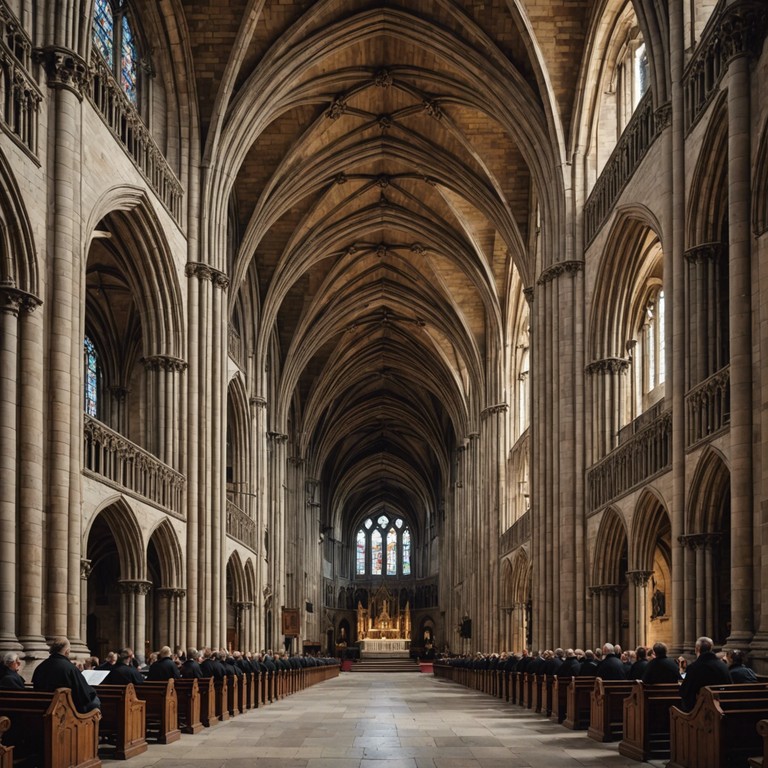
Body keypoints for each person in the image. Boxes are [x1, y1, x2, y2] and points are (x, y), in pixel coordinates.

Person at [32, 637, 101, 713]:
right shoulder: (70, 668)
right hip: (66, 709)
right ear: (67, 651)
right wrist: (92, 691)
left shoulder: (40, 666)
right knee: (95, 700)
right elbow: (83, 695)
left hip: (43, 708)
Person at [679, 636, 730, 711]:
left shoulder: (694, 667)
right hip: (723, 707)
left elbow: (685, 692)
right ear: (711, 648)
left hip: (700, 711)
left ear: (697, 649)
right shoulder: (723, 666)